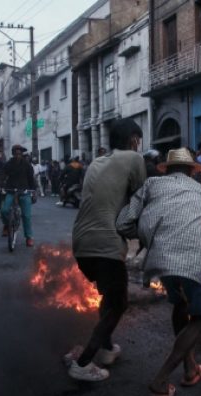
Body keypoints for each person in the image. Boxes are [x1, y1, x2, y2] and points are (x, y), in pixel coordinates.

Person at [116, 148, 201, 396]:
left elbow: (123, 223)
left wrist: (149, 234)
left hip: (161, 258)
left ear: (167, 168)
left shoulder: (151, 184)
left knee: (180, 305)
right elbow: (200, 224)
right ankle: (160, 380)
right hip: (196, 259)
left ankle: (190, 367)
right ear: (192, 171)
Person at [65, 118, 146, 381]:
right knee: (119, 303)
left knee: (109, 298)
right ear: (134, 140)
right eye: (138, 140)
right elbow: (141, 199)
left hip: (81, 243)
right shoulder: (134, 158)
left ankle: (108, 348)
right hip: (105, 244)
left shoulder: (96, 162)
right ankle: (82, 363)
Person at [0, 145, 37, 246]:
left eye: (19, 154)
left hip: (24, 191)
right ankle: (7, 225)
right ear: (13, 154)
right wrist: (0, 184)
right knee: (4, 211)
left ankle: (29, 237)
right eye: (16, 154)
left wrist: (33, 190)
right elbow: (3, 174)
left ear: (22, 154)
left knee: (26, 216)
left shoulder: (27, 165)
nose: (18, 156)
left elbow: (31, 179)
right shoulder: (9, 164)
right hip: (11, 191)